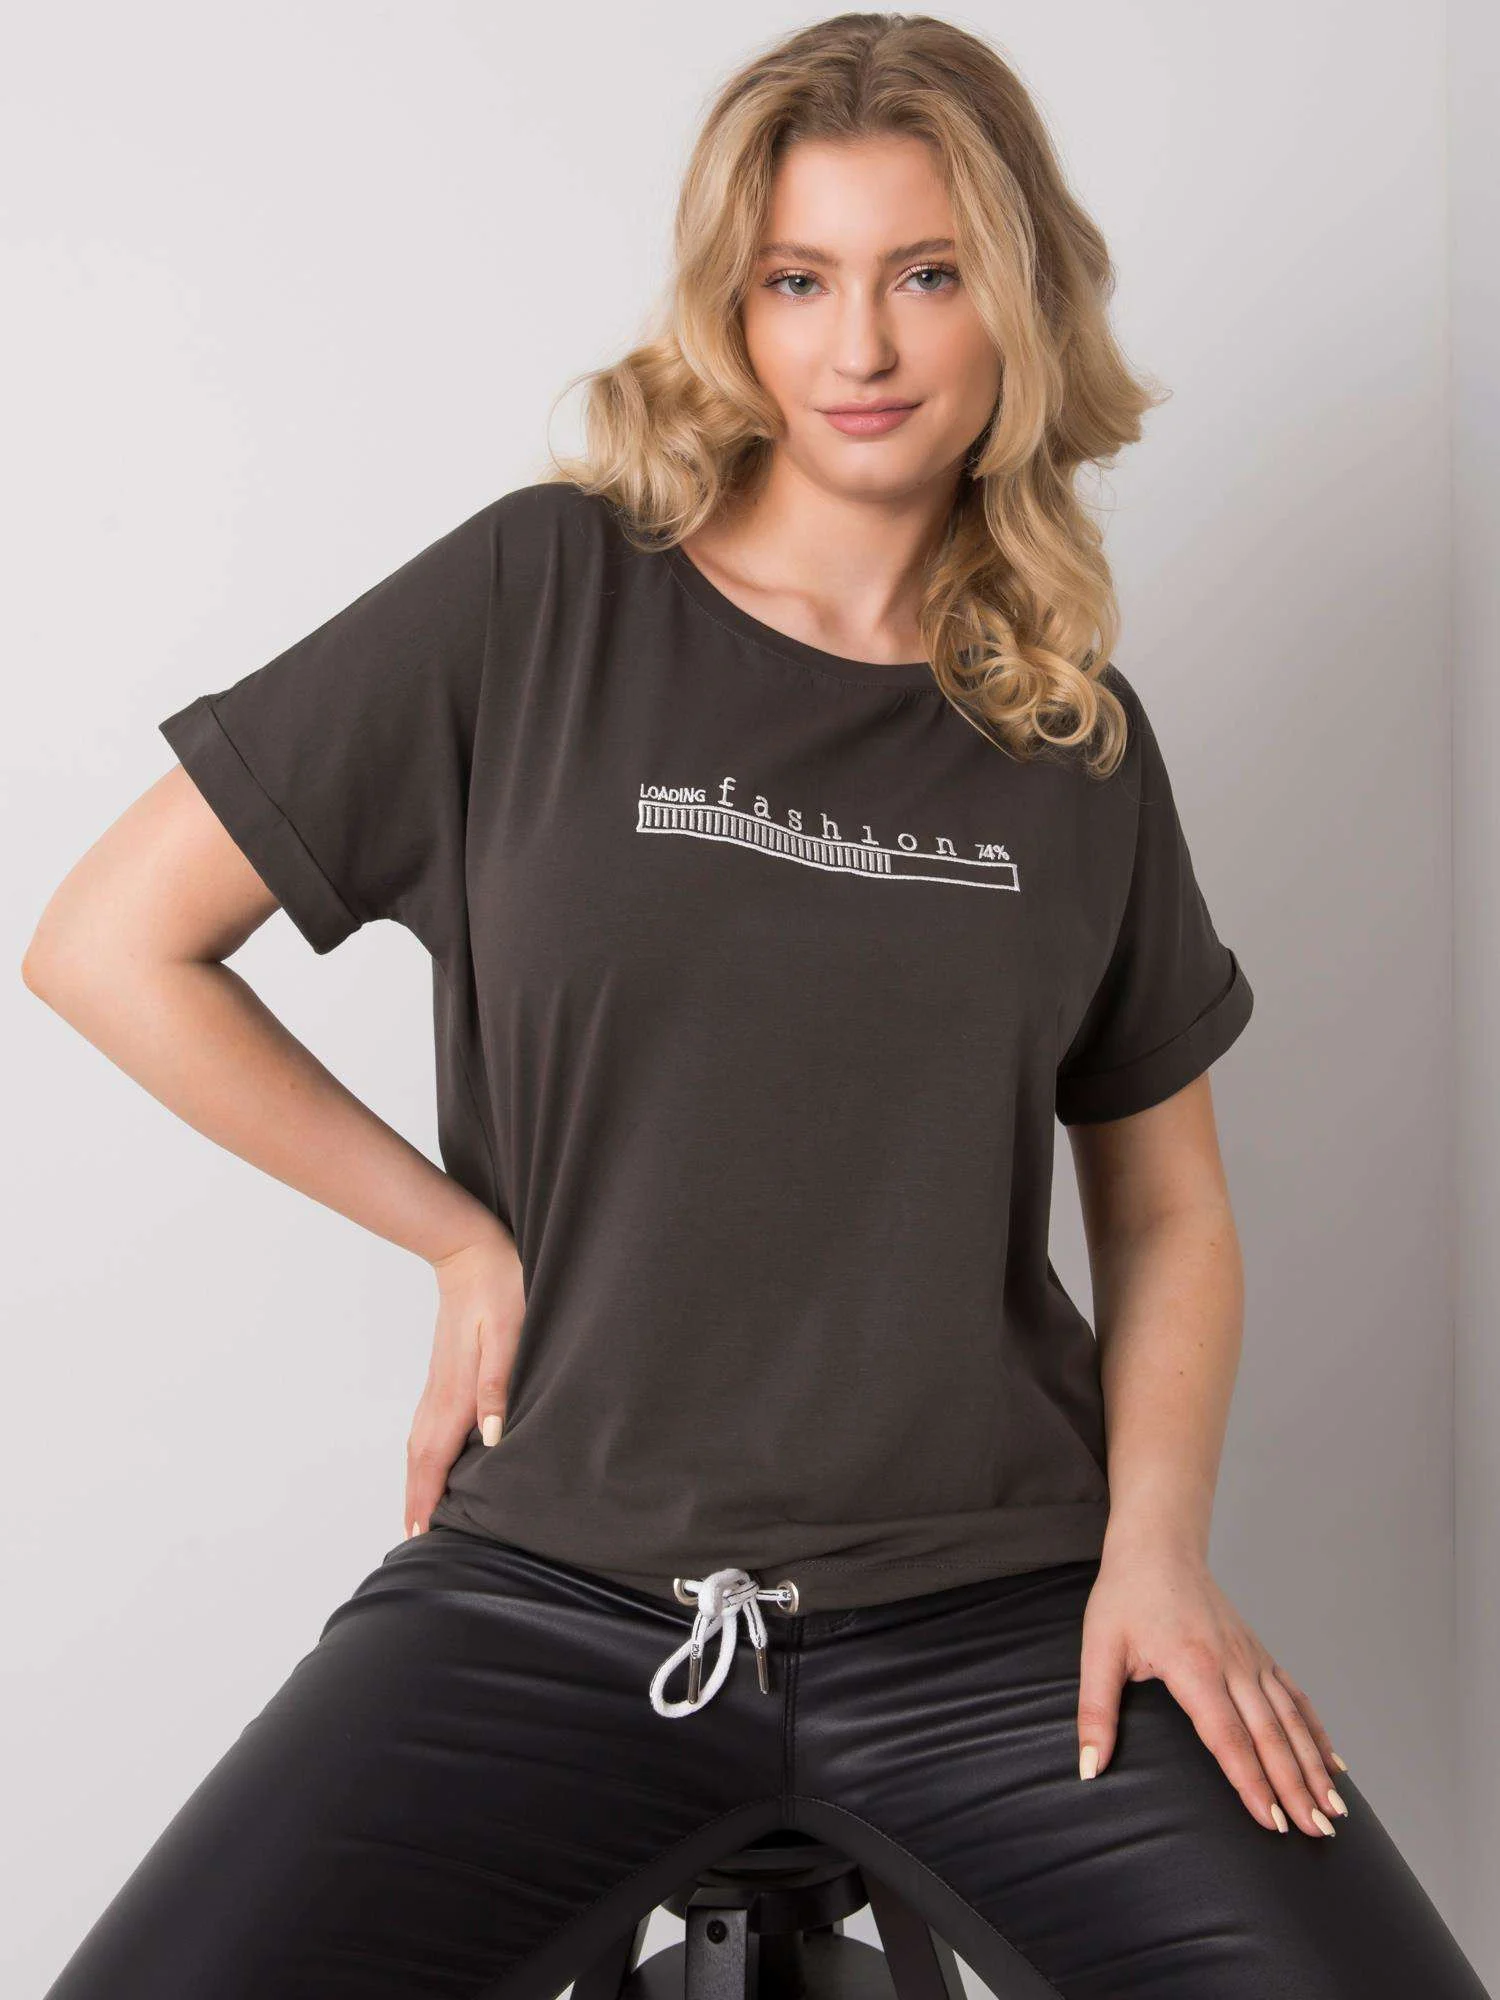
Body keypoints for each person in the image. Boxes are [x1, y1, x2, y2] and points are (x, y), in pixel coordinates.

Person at [23, 12, 1490, 1999]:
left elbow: (1166, 1210)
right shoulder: (542, 598)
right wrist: (452, 1235)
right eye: (799, 280)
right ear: (733, 305)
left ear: (1018, 303)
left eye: (926, 275)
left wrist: (1157, 1551)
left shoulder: (1072, 743)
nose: (859, 346)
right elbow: (109, 943)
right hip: (552, 1594)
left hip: (1002, 1610)